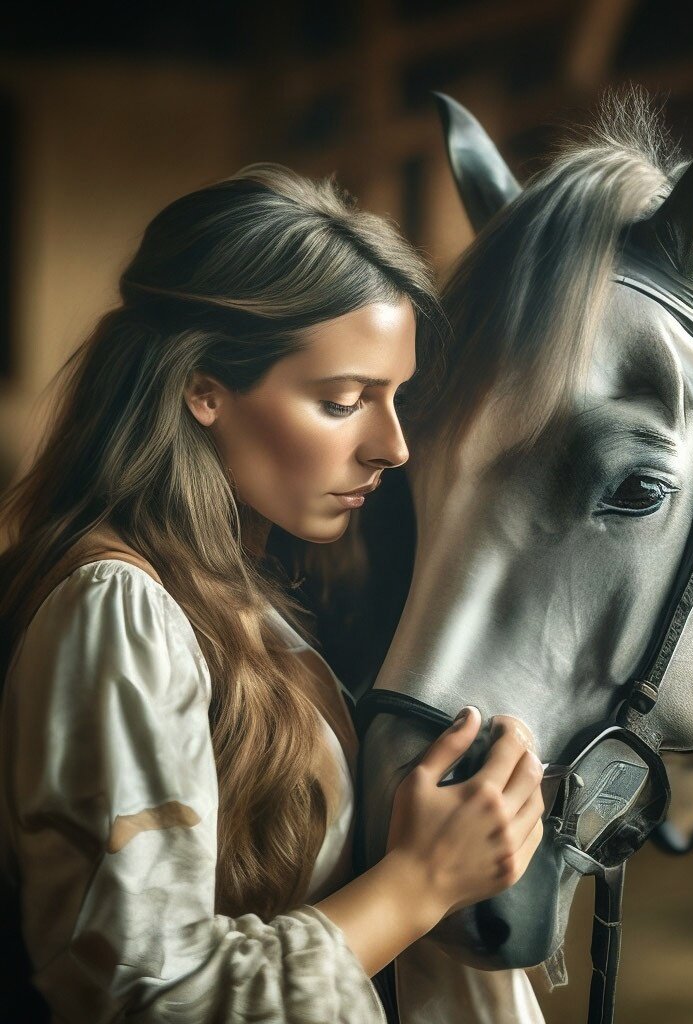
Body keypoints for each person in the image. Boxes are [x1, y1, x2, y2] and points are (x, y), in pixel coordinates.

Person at [0, 165, 547, 1022]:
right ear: (203, 389)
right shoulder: (118, 609)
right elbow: (144, 995)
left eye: (395, 398)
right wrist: (417, 884)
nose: (394, 446)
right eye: (342, 401)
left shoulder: (246, 600)